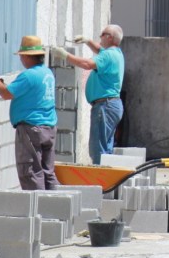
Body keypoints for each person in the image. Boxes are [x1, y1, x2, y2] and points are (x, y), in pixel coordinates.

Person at [0, 35, 59, 190]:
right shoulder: (47, 72)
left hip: (32, 129)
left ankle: (37, 210)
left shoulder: (29, 75)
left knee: (31, 173)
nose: (21, 59)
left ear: (28, 56)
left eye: (22, 55)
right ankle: (56, 207)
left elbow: (7, 93)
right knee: (48, 173)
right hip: (49, 127)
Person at [51, 25, 125, 165]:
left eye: (103, 34)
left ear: (110, 37)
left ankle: (101, 183)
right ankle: (107, 182)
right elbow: (100, 50)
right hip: (111, 105)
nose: (100, 36)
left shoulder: (108, 55)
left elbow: (87, 64)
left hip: (105, 106)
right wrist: (87, 41)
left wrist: (65, 55)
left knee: (98, 150)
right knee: (105, 149)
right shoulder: (116, 53)